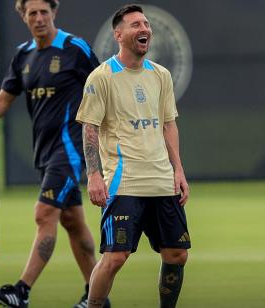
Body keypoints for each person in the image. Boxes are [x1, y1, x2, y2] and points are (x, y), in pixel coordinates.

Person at [75, 4, 191, 308]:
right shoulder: (101, 77)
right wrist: (93, 174)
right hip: (123, 183)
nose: (144, 29)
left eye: (147, 24)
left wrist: (178, 170)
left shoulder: (161, 75)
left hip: (162, 181)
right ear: (119, 34)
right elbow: (89, 130)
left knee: (177, 255)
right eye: (136, 24)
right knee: (115, 258)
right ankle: (94, 305)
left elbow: (168, 125)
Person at [0, 1, 107, 307]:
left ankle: (21, 290)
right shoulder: (23, 55)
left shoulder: (75, 48)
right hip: (44, 152)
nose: (39, 17)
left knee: (44, 213)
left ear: (54, 13)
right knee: (72, 220)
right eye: (32, 12)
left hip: (72, 149)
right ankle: (97, 297)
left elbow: (104, 88)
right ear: (23, 16)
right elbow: (4, 99)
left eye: (44, 11)